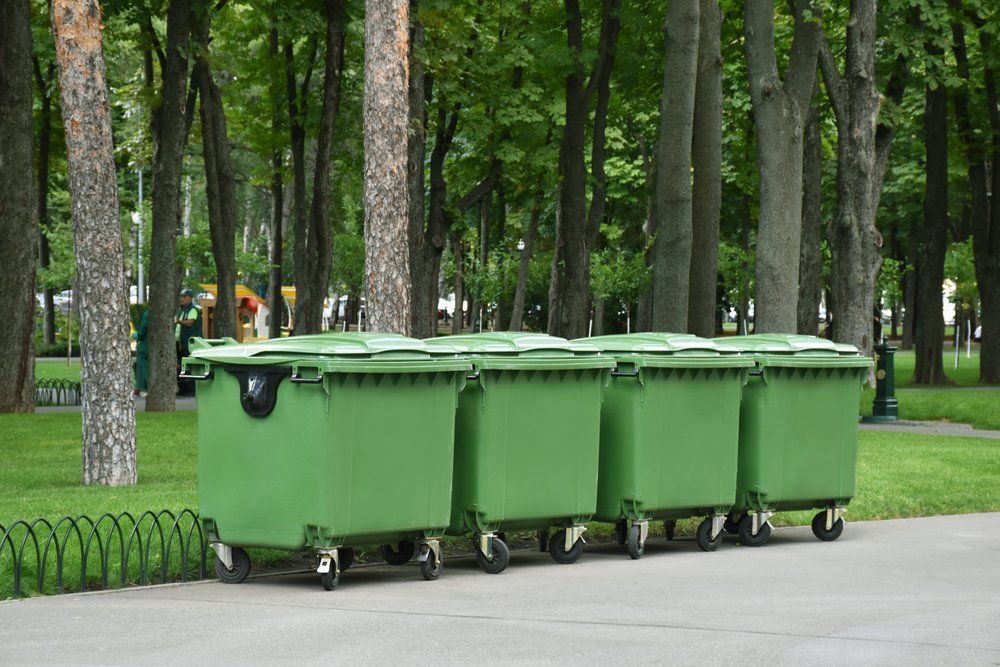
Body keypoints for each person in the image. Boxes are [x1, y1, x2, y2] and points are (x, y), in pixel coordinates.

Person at [175, 288, 202, 396]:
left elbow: (190, 323)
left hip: (189, 344)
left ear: (190, 298)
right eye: (182, 296)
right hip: (181, 344)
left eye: (185, 296)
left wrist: (178, 321)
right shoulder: (182, 310)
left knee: (188, 366)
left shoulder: (193, 310)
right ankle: (183, 388)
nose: (182, 299)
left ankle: (191, 390)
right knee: (181, 366)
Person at [132, 309, 149, 396]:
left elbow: (142, 330)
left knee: (142, 367)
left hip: (145, 344)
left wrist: (137, 336)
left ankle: (142, 387)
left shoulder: (147, 313)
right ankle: (140, 387)